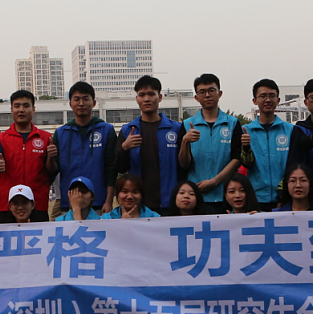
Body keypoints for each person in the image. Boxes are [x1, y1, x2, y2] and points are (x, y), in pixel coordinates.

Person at [117, 76, 183, 214]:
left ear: (160, 97)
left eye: (151, 94)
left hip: (170, 203)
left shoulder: (176, 129)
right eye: (142, 95)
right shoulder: (127, 130)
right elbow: (120, 168)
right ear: (137, 99)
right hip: (138, 204)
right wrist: (124, 148)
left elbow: (184, 166)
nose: (146, 99)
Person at [50, 81, 117, 215]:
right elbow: (53, 170)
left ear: (94, 103)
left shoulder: (106, 130)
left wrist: (109, 201)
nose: (81, 103)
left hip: (99, 203)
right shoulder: (61, 133)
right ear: (70, 104)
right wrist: (49, 158)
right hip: (68, 204)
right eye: (77, 99)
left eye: (85, 99)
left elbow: (111, 169)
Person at [179, 73, 243, 211]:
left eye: (211, 90)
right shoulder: (186, 125)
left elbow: (237, 158)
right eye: (202, 92)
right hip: (196, 195)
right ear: (197, 98)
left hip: (226, 195)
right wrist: (185, 142)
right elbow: (183, 164)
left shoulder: (232, 123)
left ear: (220, 93)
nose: (207, 95)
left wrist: (215, 181)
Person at [0, 90, 55, 222]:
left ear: (33, 109)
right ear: (11, 110)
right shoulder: (1, 138)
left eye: (26, 105)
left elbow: (52, 171)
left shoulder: (46, 138)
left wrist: (51, 159)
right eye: (17, 106)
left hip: (37, 204)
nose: (21, 110)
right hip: (7, 205)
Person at [241, 78, 295, 211]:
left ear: (278, 100)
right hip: (256, 199)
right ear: (255, 100)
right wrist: (246, 147)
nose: (268, 100)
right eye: (263, 96)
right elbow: (246, 163)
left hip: (285, 198)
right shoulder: (246, 131)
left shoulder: (290, 130)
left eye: (272, 96)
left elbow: (294, 164)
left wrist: (283, 193)